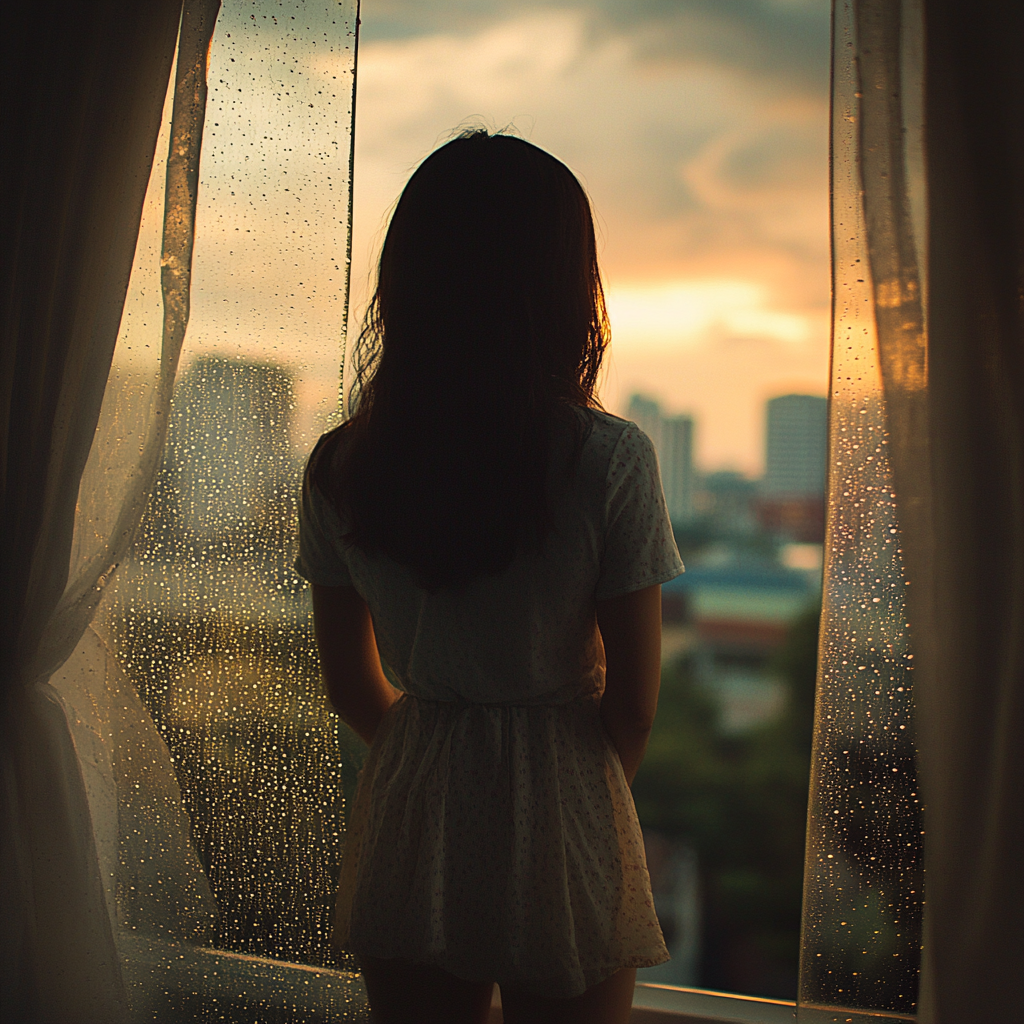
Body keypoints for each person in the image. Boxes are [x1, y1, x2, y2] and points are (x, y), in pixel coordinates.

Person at [295, 130, 684, 1024]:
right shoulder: (608, 459)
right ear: (564, 287)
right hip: (564, 799)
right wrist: (569, 788)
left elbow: (353, 686)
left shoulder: (340, 467)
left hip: (411, 800)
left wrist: (442, 754)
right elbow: (635, 706)